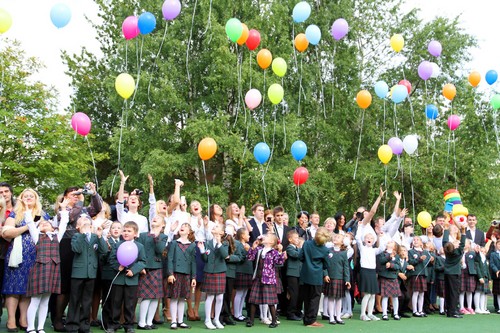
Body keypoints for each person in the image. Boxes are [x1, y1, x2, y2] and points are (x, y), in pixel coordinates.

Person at [52, 183, 102, 332]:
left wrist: (93, 194)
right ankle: (58, 318)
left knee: (84, 287)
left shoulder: (85, 210)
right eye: (72, 194)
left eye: (78, 193)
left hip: (86, 247)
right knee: (65, 286)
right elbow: (71, 217)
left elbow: (97, 208)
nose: (77, 196)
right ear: (66, 197)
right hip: (68, 246)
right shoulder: (63, 211)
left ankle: (81, 320)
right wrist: (79, 200)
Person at [2, 188, 50, 332]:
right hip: (17, 255)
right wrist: (28, 227)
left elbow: (49, 232)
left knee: (28, 289)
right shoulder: (15, 214)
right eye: (25, 196)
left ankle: (24, 319)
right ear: (21, 199)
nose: (29, 198)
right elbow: (6, 233)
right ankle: (11, 320)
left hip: (36, 255)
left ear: (36, 199)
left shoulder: (42, 215)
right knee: (13, 288)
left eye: (31, 196)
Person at [25, 198, 69, 333]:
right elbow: (30, 223)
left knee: (45, 301)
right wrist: (28, 208)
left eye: (47, 223)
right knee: (35, 300)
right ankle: (31, 327)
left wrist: (63, 209)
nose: (44, 224)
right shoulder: (37, 236)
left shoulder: (57, 236)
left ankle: (40, 327)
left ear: (52, 226)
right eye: (41, 224)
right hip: (40, 270)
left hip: (53, 270)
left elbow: (64, 223)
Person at [65, 214, 107, 333]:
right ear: (78, 227)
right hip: (78, 273)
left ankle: (84, 325)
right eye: (82, 223)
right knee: (74, 299)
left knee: (87, 300)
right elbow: (77, 249)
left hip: (91, 273)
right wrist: (82, 234)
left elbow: (103, 250)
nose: (86, 223)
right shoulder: (76, 236)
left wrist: (100, 236)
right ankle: (72, 325)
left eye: (88, 222)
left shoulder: (95, 237)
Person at [108, 221, 147, 333]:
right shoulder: (117, 245)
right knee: (115, 303)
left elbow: (142, 261)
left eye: (129, 231)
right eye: (124, 230)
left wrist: (134, 271)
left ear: (135, 233)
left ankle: (129, 325)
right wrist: (117, 266)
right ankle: (113, 324)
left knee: (130, 304)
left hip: (132, 280)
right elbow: (111, 259)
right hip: (118, 280)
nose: (126, 233)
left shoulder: (139, 246)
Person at [355, 187, 385, 322]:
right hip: (365, 268)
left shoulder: (371, 234)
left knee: (373, 293)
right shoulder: (362, 228)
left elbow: (381, 247)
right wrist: (379, 197)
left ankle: (370, 313)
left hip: (372, 268)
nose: (369, 215)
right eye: (366, 214)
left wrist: (380, 236)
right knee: (367, 293)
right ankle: (363, 314)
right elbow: (373, 211)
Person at [246, 233, 285, 328]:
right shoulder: (259, 250)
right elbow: (250, 258)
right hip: (258, 278)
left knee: (271, 301)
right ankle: (251, 320)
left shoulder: (274, 252)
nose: (264, 237)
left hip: (268, 279)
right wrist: (253, 248)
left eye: (267, 237)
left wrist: (280, 252)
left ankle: (274, 321)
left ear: (271, 242)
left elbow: (279, 263)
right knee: (253, 300)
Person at [136, 216, 168, 329]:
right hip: (145, 269)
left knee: (155, 297)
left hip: (157, 268)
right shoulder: (143, 235)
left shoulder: (163, 236)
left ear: (163, 225)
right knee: (146, 296)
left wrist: (156, 236)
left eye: (158, 218)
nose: (155, 218)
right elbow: (138, 250)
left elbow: (159, 250)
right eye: (153, 218)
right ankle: (141, 322)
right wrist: (140, 266)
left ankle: (149, 322)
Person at [166, 223, 196, 329]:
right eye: (181, 226)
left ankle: (181, 321)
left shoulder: (192, 245)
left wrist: (194, 277)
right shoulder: (174, 243)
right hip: (175, 274)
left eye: (186, 226)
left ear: (189, 232)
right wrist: (170, 273)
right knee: (174, 297)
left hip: (186, 274)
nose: (182, 227)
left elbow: (193, 262)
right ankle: (174, 321)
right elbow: (170, 258)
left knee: (183, 298)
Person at [299, 227, 331, 327]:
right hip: (316, 277)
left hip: (305, 274)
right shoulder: (325, 250)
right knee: (315, 298)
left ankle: (306, 319)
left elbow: (300, 257)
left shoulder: (306, 244)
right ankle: (311, 320)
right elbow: (326, 265)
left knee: (307, 298)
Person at [198, 223, 228, 329]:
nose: (214, 227)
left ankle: (216, 319)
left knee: (220, 297)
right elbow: (205, 259)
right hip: (209, 272)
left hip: (220, 271)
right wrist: (202, 250)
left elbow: (225, 255)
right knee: (210, 296)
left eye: (216, 227)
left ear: (221, 232)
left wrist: (219, 243)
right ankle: (207, 320)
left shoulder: (225, 243)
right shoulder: (208, 243)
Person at [323, 233, 351, 325]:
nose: (335, 238)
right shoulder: (328, 251)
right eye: (335, 237)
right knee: (331, 298)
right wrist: (325, 274)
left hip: (340, 278)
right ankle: (331, 317)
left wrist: (347, 280)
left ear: (342, 242)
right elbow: (325, 264)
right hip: (330, 278)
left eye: (338, 237)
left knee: (339, 299)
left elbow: (346, 267)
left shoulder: (344, 253)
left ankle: (338, 316)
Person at [100, 221, 122, 331]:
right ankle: (105, 322)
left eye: (118, 228)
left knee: (116, 300)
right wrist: (107, 251)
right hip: (108, 275)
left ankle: (115, 321)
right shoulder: (106, 242)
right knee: (107, 299)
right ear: (110, 230)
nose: (116, 229)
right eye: (113, 228)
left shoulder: (123, 243)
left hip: (119, 275)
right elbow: (102, 259)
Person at [442, 221, 466, 318]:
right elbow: (463, 244)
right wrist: (463, 231)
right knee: (454, 292)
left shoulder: (448, 250)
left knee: (448, 292)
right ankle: (453, 312)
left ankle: (451, 309)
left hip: (447, 273)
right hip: (455, 274)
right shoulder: (458, 252)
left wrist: (447, 230)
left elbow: (444, 241)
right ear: (455, 247)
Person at [407, 236, 433, 317]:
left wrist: (432, 259)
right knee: (416, 292)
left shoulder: (425, 252)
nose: (415, 241)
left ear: (421, 242)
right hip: (416, 274)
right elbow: (411, 261)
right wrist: (419, 259)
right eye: (414, 240)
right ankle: (415, 310)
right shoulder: (411, 251)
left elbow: (429, 262)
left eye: (417, 240)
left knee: (422, 293)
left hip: (423, 274)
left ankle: (420, 310)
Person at [376, 240, 402, 320]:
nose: (389, 242)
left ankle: (396, 313)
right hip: (384, 277)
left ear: (395, 247)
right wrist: (389, 257)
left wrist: (391, 265)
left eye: (391, 242)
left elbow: (398, 266)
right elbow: (381, 261)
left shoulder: (397, 256)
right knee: (385, 297)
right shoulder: (382, 253)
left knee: (395, 297)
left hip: (393, 278)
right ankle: (384, 314)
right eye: (388, 242)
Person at [233, 228, 253, 322]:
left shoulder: (247, 245)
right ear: (242, 235)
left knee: (244, 293)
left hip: (248, 270)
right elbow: (240, 257)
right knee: (239, 293)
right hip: (241, 270)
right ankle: (236, 314)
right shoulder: (237, 244)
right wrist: (247, 250)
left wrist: (251, 249)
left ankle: (240, 313)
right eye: (247, 234)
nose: (249, 236)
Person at [285, 230, 303, 321]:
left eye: (298, 237)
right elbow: (296, 255)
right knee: (293, 293)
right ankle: (290, 313)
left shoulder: (298, 248)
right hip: (292, 274)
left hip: (299, 273)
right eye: (295, 238)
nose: (297, 239)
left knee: (299, 294)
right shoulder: (289, 248)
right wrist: (301, 250)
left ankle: (297, 311)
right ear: (290, 239)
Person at [459, 240, 479, 314]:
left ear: (469, 245)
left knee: (469, 291)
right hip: (461, 273)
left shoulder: (472, 253)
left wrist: (477, 253)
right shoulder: (459, 252)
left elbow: (477, 260)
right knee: (461, 290)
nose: (464, 244)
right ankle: (461, 307)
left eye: (466, 243)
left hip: (470, 273)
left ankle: (469, 307)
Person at [434, 247, 446, 315]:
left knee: (447, 294)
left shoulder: (449, 258)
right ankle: (441, 309)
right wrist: (443, 267)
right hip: (441, 277)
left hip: (448, 277)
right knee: (442, 294)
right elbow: (436, 268)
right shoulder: (438, 258)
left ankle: (446, 308)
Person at [489, 238, 500, 314]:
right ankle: (499, 307)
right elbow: (492, 264)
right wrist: (497, 270)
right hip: (497, 276)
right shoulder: (493, 254)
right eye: (499, 244)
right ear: (496, 245)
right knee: (498, 293)